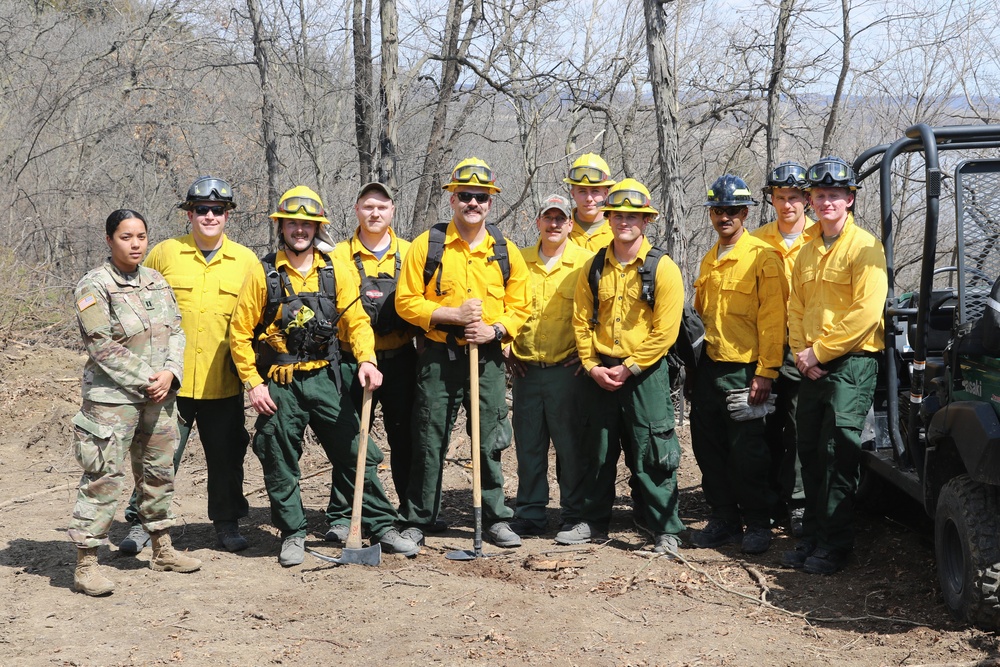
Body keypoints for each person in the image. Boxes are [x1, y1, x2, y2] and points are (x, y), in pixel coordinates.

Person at [229, 186, 419, 567]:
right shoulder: (262, 273)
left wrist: (367, 360)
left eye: (308, 224)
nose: (300, 230)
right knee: (278, 454)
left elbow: (356, 322)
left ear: (318, 229)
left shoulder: (337, 271)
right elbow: (239, 332)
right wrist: (253, 382)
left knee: (357, 452)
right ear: (281, 226)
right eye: (293, 224)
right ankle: (293, 532)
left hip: (325, 378)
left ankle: (381, 525)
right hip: (280, 381)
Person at [394, 157, 530, 549]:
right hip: (438, 357)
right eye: (465, 196)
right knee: (428, 437)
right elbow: (406, 302)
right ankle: (420, 518)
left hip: (486, 358)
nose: (473, 203)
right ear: (452, 199)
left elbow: (521, 304)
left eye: (481, 197)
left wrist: (496, 329)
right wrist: (450, 315)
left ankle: (494, 517)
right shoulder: (428, 244)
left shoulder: (504, 250)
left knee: (488, 439)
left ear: (491, 203)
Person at [119, 176, 258, 555]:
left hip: (223, 381)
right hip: (169, 380)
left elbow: (258, 320)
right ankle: (141, 524)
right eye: (201, 209)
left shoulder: (246, 262)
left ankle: (227, 524)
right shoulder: (164, 254)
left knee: (227, 457)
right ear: (189, 214)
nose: (210, 216)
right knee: (159, 457)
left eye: (218, 210)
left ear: (228, 215)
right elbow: (133, 301)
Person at [68, 209, 201, 596]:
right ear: (110, 240)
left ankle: (162, 548)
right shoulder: (94, 285)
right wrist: (149, 379)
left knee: (159, 472)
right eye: (126, 237)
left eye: (141, 236)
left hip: (159, 396)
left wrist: (171, 373)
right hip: (112, 401)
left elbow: (176, 329)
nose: (135, 244)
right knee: (103, 477)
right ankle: (86, 563)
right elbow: (101, 344)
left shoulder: (156, 280)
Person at [569, 178, 686, 555]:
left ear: (646, 220)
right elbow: (581, 321)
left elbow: (665, 332)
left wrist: (631, 367)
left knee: (653, 453)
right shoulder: (593, 267)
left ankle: (665, 529)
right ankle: (591, 521)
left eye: (633, 216)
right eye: (618, 214)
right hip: (600, 373)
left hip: (646, 375)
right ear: (609, 218)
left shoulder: (663, 268)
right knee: (597, 451)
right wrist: (591, 365)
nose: (625, 222)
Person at [783, 156, 887, 574]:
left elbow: (865, 312)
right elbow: (796, 307)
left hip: (852, 364)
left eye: (836, 195)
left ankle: (835, 543)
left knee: (838, 455)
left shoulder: (866, 248)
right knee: (808, 450)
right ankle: (812, 536)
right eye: (820, 195)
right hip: (810, 365)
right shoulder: (807, 251)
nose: (827, 201)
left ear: (850, 200)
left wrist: (819, 353)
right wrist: (799, 354)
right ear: (811, 201)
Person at [688, 175, 788, 555]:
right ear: (711, 214)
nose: (724, 216)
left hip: (746, 372)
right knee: (708, 448)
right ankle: (724, 519)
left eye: (732, 210)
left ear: (745, 213)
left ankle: (759, 523)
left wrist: (766, 372)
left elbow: (773, 320)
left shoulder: (763, 257)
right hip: (709, 368)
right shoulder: (709, 259)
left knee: (749, 453)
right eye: (718, 210)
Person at [325, 181, 417, 543]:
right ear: (356, 210)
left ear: (393, 211)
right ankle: (342, 515)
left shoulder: (411, 253)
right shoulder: (336, 256)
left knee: (405, 437)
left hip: (399, 359)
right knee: (349, 438)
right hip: (351, 361)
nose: (375, 213)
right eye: (368, 207)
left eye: (382, 207)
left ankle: (410, 513)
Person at [505, 194, 593, 537]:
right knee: (528, 445)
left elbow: (595, 315)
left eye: (560, 219)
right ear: (538, 222)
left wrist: (587, 356)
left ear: (570, 224)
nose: (554, 225)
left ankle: (573, 512)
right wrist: (506, 346)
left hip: (567, 371)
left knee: (570, 447)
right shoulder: (519, 260)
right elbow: (505, 305)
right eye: (548, 218)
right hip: (526, 371)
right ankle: (530, 512)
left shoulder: (586, 262)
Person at [751, 162, 821, 537]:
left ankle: (797, 502)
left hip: (804, 349)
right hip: (764, 348)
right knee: (763, 428)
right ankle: (767, 500)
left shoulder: (820, 237)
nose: (788, 205)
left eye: (795, 198)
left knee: (798, 428)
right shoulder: (758, 240)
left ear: (806, 201)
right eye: (781, 197)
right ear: (772, 199)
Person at [564, 153, 616, 252]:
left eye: (595, 191)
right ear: (573, 193)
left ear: (605, 193)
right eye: (582, 191)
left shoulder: (618, 230)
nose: (589, 198)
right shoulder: (560, 229)